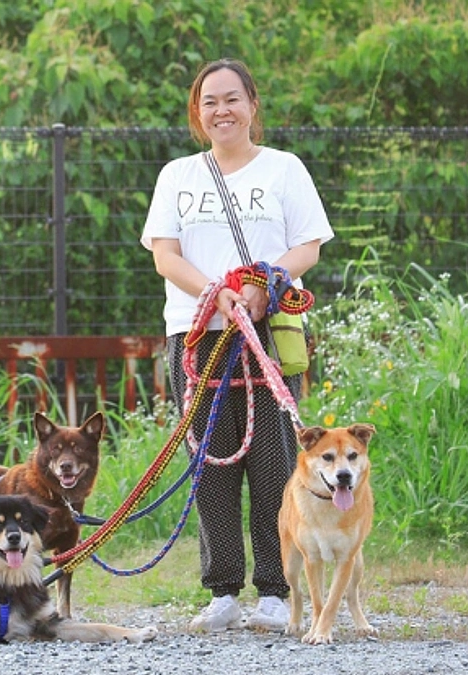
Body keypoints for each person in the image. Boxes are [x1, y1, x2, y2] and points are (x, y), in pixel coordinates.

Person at [139, 58, 334, 632]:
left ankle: (276, 590)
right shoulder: (178, 174)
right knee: (211, 462)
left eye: (231, 99)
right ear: (197, 114)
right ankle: (222, 589)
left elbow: (309, 248)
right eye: (209, 102)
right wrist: (217, 293)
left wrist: (259, 283)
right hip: (197, 332)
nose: (221, 111)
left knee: (275, 460)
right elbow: (165, 254)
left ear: (252, 104)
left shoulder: (284, 170)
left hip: (269, 330)